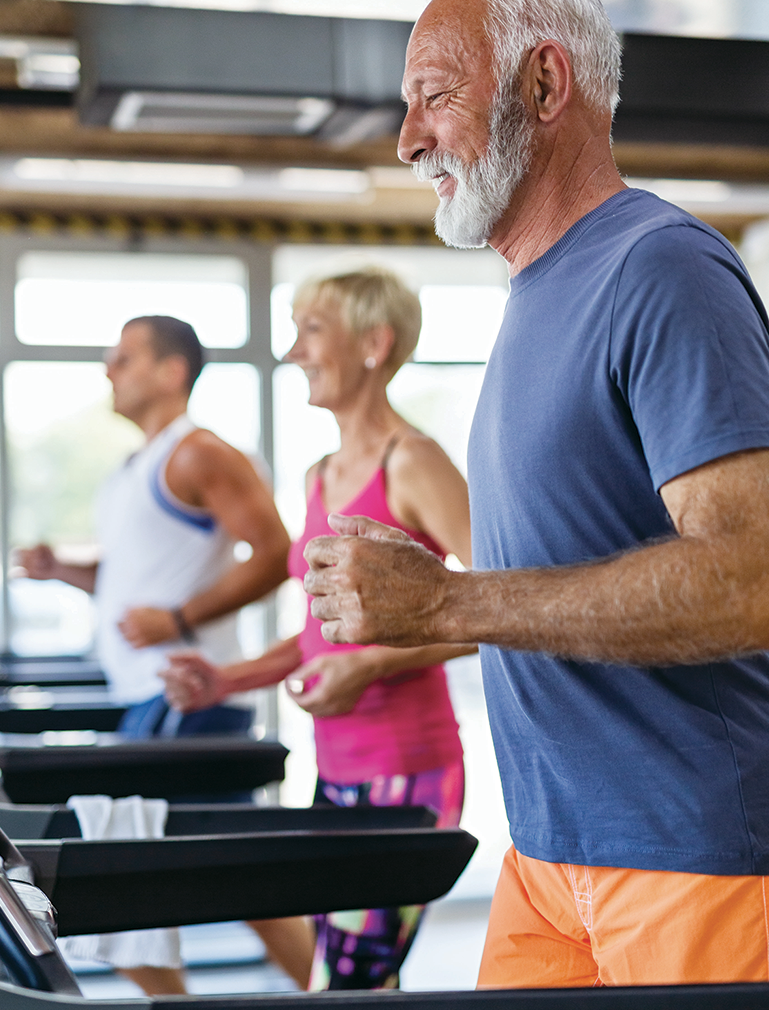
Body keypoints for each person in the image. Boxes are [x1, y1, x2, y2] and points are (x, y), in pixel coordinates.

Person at [301, 0, 769, 992]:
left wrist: (445, 597)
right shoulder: (535, 292)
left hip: (688, 852)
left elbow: (748, 576)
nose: (406, 136)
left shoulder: (662, 267)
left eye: (433, 96)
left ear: (544, 85)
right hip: (548, 848)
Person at [162, 266, 474, 991]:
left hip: (410, 769)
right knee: (352, 981)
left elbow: (506, 609)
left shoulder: (415, 461)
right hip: (333, 768)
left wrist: (372, 666)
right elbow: (319, 636)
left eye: (311, 331)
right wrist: (226, 680)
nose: (293, 351)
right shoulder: (316, 475)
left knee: (349, 983)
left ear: (374, 343)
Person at [17, 314, 291, 995]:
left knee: (128, 870)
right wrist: (65, 573)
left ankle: (348, 991)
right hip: (153, 698)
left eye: (124, 357)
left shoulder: (197, 452)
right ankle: (343, 990)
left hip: (189, 700)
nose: (109, 369)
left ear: (172, 372)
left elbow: (277, 554)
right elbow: (128, 582)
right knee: (219, 878)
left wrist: (177, 618)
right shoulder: (134, 467)